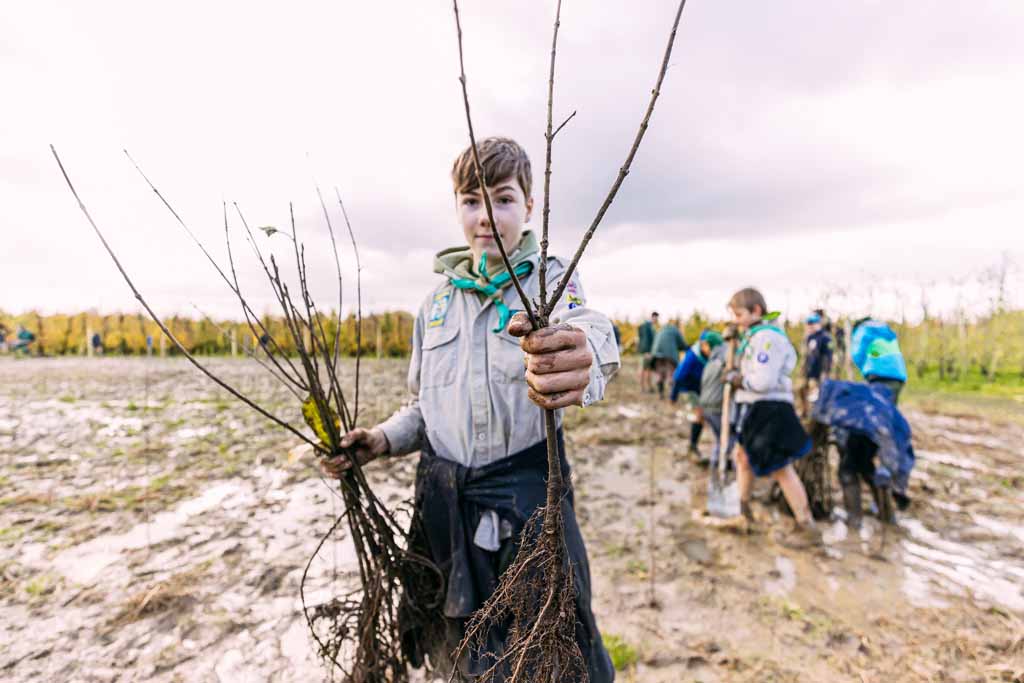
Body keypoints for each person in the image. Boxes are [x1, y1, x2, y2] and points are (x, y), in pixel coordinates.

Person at [320, 137, 618, 682]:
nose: (486, 216)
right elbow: (422, 406)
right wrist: (382, 439)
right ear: (457, 206)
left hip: (529, 513)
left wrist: (585, 353)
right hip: (446, 511)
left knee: (548, 654)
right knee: (463, 652)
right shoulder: (433, 306)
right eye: (471, 200)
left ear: (529, 206)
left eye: (503, 199)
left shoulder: (550, 282)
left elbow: (591, 330)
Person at [723, 287, 820, 546]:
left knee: (780, 468)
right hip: (754, 407)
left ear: (756, 311)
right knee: (742, 457)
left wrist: (737, 379)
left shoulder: (767, 337)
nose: (736, 320)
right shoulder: (752, 335)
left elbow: (763, 380)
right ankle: (743, 511)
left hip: (770, 408)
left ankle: (806, 525)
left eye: (739, 314)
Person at [833, 318, 910, 527]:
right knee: (865, 458)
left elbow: (857, 354)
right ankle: (887, 516)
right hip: (897, 381)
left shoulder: (863, 331)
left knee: (850, 463)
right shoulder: (887, 333)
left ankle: (854, 520)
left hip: (877, 380)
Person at [671, 330, 723, 460]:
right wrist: (674, 396)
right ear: (702, 345)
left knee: (707, 414)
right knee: (700, 413)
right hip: (688, 387)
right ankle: (692, 446)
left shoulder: (712, 356)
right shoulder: (692, 356)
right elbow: (678, 377)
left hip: (701, 387)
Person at [699, 330, 735, 470]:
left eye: (705, 345)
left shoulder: (713, 361)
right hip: (717, 406)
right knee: (727, 438)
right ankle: (720, 467)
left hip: (708, 406)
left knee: (719, 438)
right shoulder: (723, 359)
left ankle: (716, 464)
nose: (703, 349)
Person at [797, 310, 834, 416]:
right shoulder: (809, 338)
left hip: (819, 372)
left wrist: (825, 373)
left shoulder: (825, 338)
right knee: (801, 389)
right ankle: (804, 411)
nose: (810, 327)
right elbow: (807, 355)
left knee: (815, 395)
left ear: (818, 324)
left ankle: (816, 415)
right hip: (808, 371)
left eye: (812, 324)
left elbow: (828, 357)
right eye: (808, 324)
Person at [650, 320, 687, 400]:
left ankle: (661, 394)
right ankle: (672, 396)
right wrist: (688, 348)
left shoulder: (660, 330)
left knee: (660, 374)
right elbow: (682, 344)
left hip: (656, 354)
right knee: (671, 375)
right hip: (669, 355)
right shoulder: (675, 330)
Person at [637, 312, 659, 393]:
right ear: (652, 317)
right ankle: (642, 388)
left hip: (649, 352)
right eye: (655, 318)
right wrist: (647, 351)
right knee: (643, 370)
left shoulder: (651, 326)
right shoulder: (647, 326)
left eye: (657, 318)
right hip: (646, 352)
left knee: (648, 369)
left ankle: (649, 387)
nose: (656, 320)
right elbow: (645, 339)